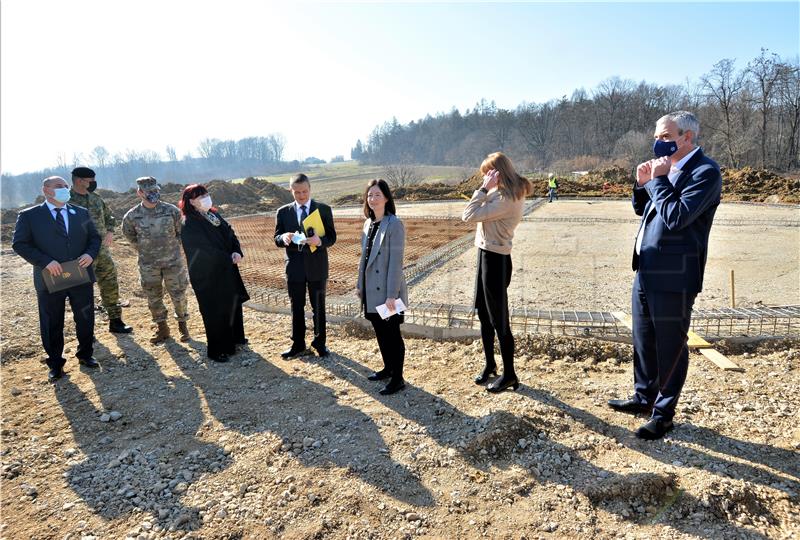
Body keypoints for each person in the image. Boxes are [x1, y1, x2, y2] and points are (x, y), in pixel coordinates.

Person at [608, 111, 722, 440]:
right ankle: (644, 398)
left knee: (671, 346)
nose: (658, 142)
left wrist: (657, 180)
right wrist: (641, 184)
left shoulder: (705, 172)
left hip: (675, 274)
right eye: (657, 136)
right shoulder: (667, 167)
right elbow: (643, 209)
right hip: (646, 267)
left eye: (665, 137)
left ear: (687, 137)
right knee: (644, 339)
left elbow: (676, 217)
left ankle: (663, 414)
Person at [12, 176, 101, 382]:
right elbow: (20, 244)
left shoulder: (80, 213)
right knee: (52, 321)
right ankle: (55, 363)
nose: (64, 189)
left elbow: (94, 238)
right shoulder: (29, 216)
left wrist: (90, 254)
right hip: (50, 276)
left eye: (65, 186)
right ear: (46, 190)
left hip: (79, 273)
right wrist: (45, 261)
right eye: (59, 187)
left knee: (85, 317)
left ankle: (86, 354)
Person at [463, 152, 532, 393]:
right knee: (484, 314)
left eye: (487, 173)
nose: (485, 178)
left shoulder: (506, 197)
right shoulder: (501, 192)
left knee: (499, 320)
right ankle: (490, 364)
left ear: (497, 173)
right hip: (485, 255)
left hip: (496, 259)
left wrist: (482, 189)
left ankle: (510, 374)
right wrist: (486, 190)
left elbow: (468, 215)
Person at [179, 184, 249, 362]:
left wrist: (236, 250)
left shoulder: (213, 215)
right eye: (200, 196)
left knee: (231, 304)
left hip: (226, 268)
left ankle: (235, 339)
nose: (205, 199)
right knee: (214, 310)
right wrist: (227, 257)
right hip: (207, 275)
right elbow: (203, 251)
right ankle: (218, 349)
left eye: (206, 194)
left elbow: (230, 233)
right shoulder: (189, 223)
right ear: (191, 202)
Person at [273, 174, 337, 358]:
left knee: (319, 307)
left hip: (317, 267)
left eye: (305, 191)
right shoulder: (283, 212)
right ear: (291, 191)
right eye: (297, 192)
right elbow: (276, 238)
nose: (302, 196)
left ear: (310, 189)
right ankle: (298, 344)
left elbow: (332, 237)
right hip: (294, 268)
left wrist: (320, 241)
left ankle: (320, 343)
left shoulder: (323, 210)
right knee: (297, 307)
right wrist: (283, 238)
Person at [121, 177, 191, 344]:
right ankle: (162, 328)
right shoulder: (132, 216)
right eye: (149, 191)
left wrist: (172, 249)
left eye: (155, 190)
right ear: (140, 193)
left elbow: (181, 232)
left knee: (179, 294)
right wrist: (145, 249)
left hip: (173, 263)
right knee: (153, 297)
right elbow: (129, 235)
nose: (153, 194)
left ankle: (183, 325)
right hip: (148, 265)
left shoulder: (171, 211)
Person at [357, 179, 409, 395]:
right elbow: (364, 258)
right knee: (380, 331)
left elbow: (396, 262)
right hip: (371, 290)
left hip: (388, 293)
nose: (372, 199)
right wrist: (360, 285)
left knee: (392, 334)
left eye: (377, 195)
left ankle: (398, 378)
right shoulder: (368, 223)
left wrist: (391, 295)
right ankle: (388, 369)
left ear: (386, 198)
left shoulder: (394, 224)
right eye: (370, 195)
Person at [69, 167, 133, 334]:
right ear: (79, 181)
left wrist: (110, 232)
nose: (94, 183)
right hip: (80, 255)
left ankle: (116, 321)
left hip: (102, 253)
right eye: (90, 180)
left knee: (110, 284)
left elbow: (109, 217)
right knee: (82, 293)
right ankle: (85, 330)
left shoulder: (96, 199)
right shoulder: (66, 201)